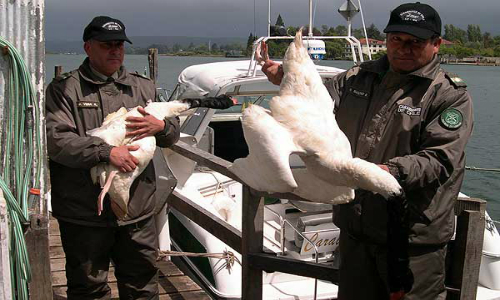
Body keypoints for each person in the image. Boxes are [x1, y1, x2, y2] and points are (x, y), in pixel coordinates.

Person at [261, 2, 473, 300]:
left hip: (412, 240)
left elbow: (439, 159)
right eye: (396, 39)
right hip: (355, 230)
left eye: (416, 42)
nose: (403, 48)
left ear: (436, 45)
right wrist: (286, 76)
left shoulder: (449, 96)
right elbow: (316, 99)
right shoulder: (356, 77)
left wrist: (383, 174)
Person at [46, 16, 180, 299]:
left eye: (119, 45)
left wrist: (163, 127)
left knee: (142, 284)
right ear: (88, 47)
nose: (115, 51)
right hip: (84, 212)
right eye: (107, 45)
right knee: (88, 287)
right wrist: (106, 153)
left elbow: (172, 134)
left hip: (137, 210)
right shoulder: (63, 89)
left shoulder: (143, 87)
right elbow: (56, 141)